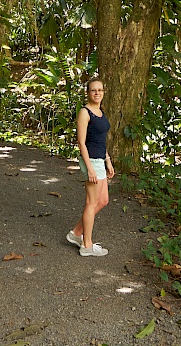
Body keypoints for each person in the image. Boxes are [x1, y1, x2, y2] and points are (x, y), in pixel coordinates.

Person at [66, 79, 114, 257]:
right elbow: (81, 142)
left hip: (100, 160)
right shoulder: (85, 113)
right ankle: (86, 245)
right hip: (91, 161)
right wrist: (90, 168)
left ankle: (76, 233)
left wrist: (107, 160)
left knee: (103, 201)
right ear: (88, 92)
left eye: (100, 90)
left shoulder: (100, 112)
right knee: (91, 203)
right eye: (93, 90)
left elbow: (100, 140)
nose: (97, 93)